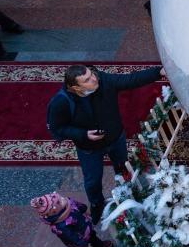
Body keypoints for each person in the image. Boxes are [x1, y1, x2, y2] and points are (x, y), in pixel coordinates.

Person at [46, 64, 165, 224]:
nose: (94, 79)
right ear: (75, 87)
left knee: (123, 169)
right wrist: (83, 134)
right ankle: (97, 204)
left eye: (92, 74)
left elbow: (131, 80)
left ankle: (127, 193)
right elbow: (57, 128)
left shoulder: (103, 80)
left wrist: (159, 72)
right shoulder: (61, 102)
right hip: (89, 149)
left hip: (116, 138)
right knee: (93, 181)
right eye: (87, 80)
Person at [31, 191, 113, 247]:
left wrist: (82, 208)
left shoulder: (66, 203)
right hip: (79, 242)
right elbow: (70, 237)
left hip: (86, 228)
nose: (62, 198)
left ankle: (97, 246)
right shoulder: (60, 226)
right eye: (59, 201)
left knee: (93, 237)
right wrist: (81, 244)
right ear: (54, 212)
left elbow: (77, 204)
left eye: (59, 196)